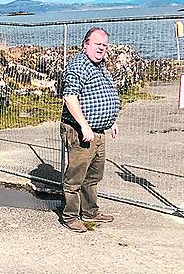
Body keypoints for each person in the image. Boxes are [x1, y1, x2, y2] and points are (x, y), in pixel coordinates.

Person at [60, 27, 120, 233]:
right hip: (80, 131)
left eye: (104, 45)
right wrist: (84, 125)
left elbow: (103, 94)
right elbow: (70, 97)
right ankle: (70, 216)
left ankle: (90, 211)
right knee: (75, 177)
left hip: (98, 130)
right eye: (97, 44)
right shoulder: (78, 65)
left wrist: (111, 121)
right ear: (85, 44)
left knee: (94, 175)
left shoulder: (100, 66)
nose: (102, 48)